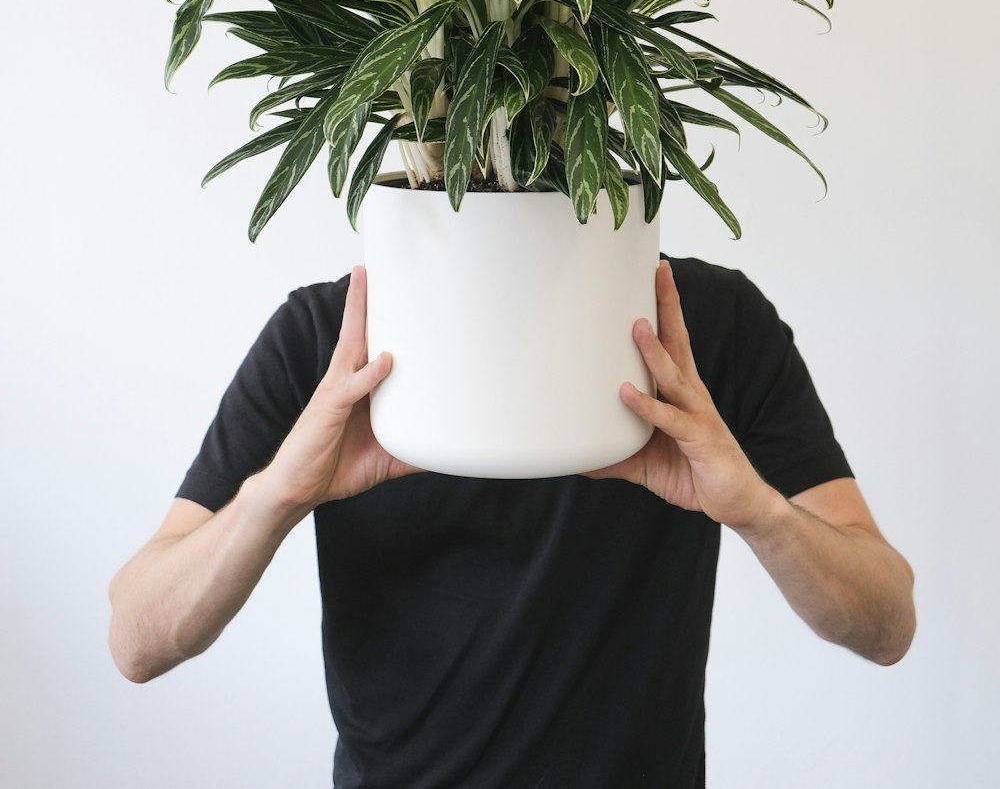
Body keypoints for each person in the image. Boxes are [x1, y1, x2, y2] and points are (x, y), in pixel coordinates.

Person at [107, 253, 916, 788]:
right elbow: (137, 638)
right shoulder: (328, 342)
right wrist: (277, 494)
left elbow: (886, 621)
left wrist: (760, 514)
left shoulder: (704, 332)